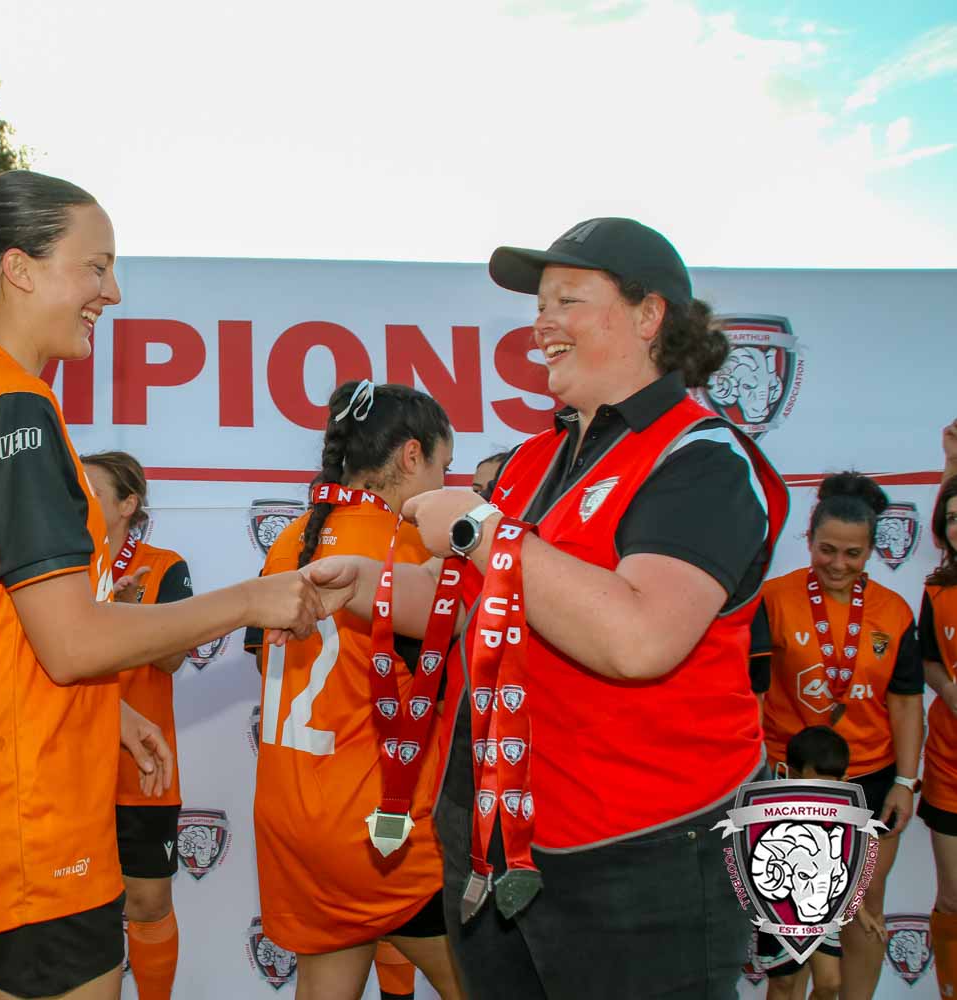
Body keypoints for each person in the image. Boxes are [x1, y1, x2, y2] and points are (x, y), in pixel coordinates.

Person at [303, 217, 789, 999]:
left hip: (640, 858)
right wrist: (356, 583)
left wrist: (480, 527)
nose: (542, 323)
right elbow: (471, 601)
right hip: (496, 841)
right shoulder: (533, 458)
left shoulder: (701, 460)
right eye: (539, 305)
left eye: (568, 300)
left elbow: (638, 639)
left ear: (648, 315)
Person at [0, 169, 343, 1000]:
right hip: (21, 808)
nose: (112, 291)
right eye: (96, 267)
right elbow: (70, 643)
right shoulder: (10, 407)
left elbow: (1, 623)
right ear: (20, 269)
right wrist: (251, 599)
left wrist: (112, 714)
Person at [251, 379, 463, 1000]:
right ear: (412, 456)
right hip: (384, 827)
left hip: (296, 822)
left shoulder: (291, 539)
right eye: (444, 467)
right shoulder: (412, 545)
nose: (446, 484)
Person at [753, 472, 923, 1000]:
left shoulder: (893, 611)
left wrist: (906, 782)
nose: (838, 564)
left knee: (865, 902)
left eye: (853, 553)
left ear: (872, 550)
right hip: (791, 779)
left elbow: (905, 702)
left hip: (871, 778)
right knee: (797, 913)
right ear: (809, 540)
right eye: (827, 549)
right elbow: (753, 695)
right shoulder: (774, 599)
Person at [78, 450, 193, 1000]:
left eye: (92, 491)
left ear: (128, 505)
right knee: (79, 907)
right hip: (70, 768)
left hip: (140, 767)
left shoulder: (163, 565)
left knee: (148, 903)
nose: (78, 499)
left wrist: (130, 617)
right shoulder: (60, 570)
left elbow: (173, 658)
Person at [755, 725, 850, 1000]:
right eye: (811, 785)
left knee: (830, 983)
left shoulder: (846, 814)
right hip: (779, 908)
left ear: (844, 780)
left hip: (822, 909)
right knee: (784, 983)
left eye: (828, 785)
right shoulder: (767, 809)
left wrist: (862, 909)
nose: (818, 794)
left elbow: (845, 863)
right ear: (791, 774)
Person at [919, 422, 957, 998]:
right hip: (950, 766)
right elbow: (928, 660)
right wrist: (949, 692)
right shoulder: (938, 589)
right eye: (951, 518)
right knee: (952, 898)